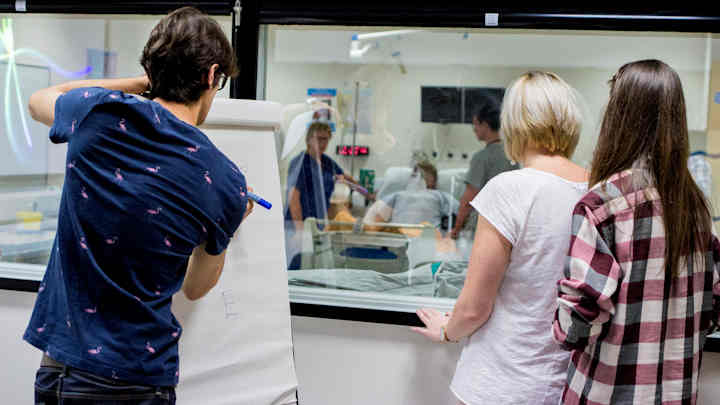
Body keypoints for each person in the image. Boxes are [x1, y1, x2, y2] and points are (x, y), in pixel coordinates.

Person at [24, 7, 253, 404]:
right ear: (212, 76)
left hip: (65, 371)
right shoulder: (225, 181)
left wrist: (140, 84)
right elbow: (195, 288)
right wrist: (229, 220)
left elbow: (40, 99)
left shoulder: (97, 113)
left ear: (153, 69)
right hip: (142, 379)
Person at [412, 71, 588, 405]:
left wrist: (447, 331)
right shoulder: (596, 188)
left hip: (503, 385)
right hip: (567, 383)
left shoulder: (510, 190)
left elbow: (475, 308)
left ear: (515, 124)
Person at [553, 59, 720, 405]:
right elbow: (713, 304)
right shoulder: (696, 209)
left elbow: (578, 319)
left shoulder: (601, 205)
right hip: (678, 394)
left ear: (619, 118)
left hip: (606, 393)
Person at [285, 121, 358, 269]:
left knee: (312, 268)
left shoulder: (327, 163)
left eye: (326, 139)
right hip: (297, 226)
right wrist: (300, 232)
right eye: (319, 138)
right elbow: (293, 199)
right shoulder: (300, 163)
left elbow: (346, 178)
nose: (323, 143)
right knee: (296, 268)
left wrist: (361, 189)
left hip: (317, 227)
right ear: (308, 140)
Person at [450, 98, 518, 239]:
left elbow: (469, 199)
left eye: (475, 124)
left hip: (483, 227)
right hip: (509, 227)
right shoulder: (513, 155)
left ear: (485, 125)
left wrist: (456, 229)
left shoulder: (482, 158)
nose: (474, 129)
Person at [364, 161, 458, 230]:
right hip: (398, 239)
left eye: (423, 175)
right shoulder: (398, 195)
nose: (418, 178)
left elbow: (461, 214)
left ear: (434, 181)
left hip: (428, 240)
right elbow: (378, 221)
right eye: (414, 175)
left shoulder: (440, 196)